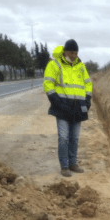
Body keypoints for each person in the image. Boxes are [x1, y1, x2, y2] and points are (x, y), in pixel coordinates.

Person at [43, 39, 93, 177]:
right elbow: (48, 84)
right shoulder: (55, 65)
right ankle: (64, 166)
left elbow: (88, 84)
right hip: (62, 107)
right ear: (65, 51)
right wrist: (57, 101)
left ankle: (73, 163)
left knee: (75, 138)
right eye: (71, 52)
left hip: (77, 107)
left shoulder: (81, 66)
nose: (74, 55)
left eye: (76, 53)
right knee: (64, 137)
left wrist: (87, 100)